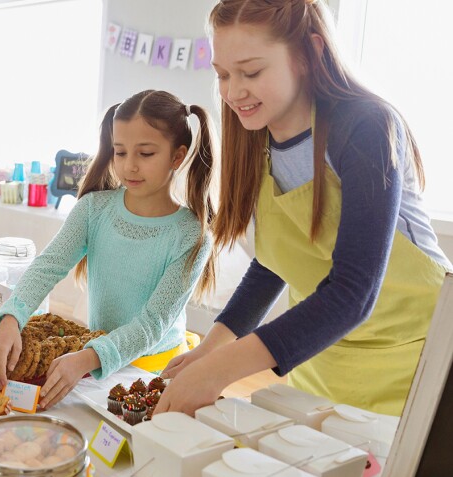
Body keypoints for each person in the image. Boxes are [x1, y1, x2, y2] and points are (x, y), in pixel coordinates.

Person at [156, 0, 452, 418]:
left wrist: (222, 368)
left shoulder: (366, 125)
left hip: (414, 367)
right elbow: (278, 260)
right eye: (222, 75)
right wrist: (210, 349)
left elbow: (353, 292)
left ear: (308, 55)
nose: (233, 91)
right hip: (320, 364)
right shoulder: (255, 138)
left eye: (251, 72)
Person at [0, 90, 218, 409]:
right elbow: (47, 267)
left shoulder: (191, 234)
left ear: (177, 157)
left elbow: (152, 324)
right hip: (97, 359)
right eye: (120, 152)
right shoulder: (93, 210)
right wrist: (13, 316)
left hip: (153, 371)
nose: (129, 166)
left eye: (146, 154)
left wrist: (87, 358)